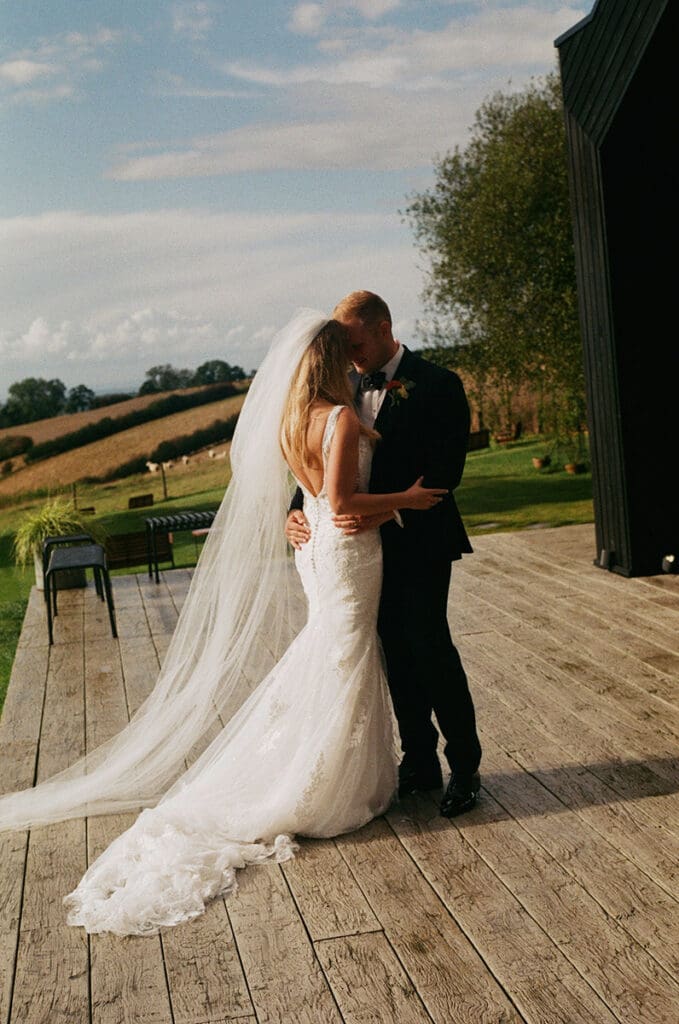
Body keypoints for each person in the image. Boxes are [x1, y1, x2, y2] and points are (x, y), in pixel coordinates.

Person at [0, 309, 446, 937]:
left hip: (315, 551)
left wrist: (314, 514)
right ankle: (318, 784)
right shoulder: (342, 417)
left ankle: (326, 768)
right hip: (347, 551)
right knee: (342, 657)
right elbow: (343, 503)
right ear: (329, 359)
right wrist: (405, 499)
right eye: (344, 351)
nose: (354, 359)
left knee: (331, 654)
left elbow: (314, 499)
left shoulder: (293, 420)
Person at [286, 291, 482, 817]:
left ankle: (465, 766)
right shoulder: (340, 387)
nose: (350, 355)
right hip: (357, 552)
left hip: (418, 541)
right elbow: (322, 465)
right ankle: (418, 761)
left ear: (383, 328)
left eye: (355, 343)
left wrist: (385, 513)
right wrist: (297, 510)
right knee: (392, 654)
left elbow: (446, 476)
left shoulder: (439, 384)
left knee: (430, 646)